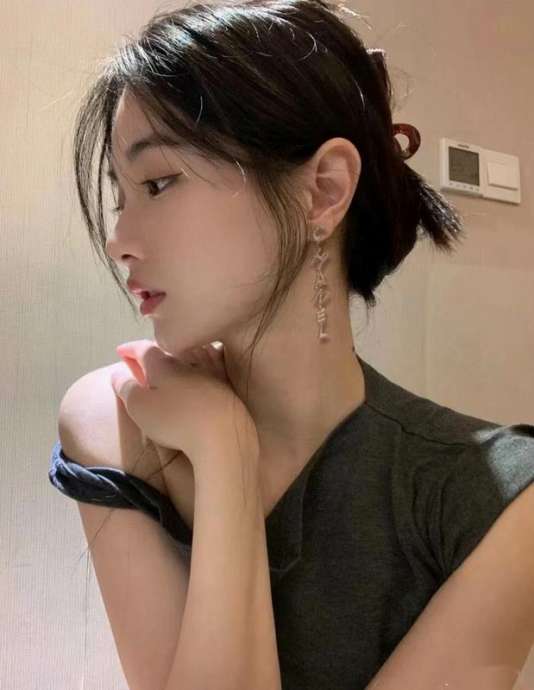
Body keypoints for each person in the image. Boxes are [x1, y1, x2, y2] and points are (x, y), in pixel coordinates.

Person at [49, 1, 534, 689]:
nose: (118, 240)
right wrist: (220, 449)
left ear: (323, 192)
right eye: (120, 197)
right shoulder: (115, 420)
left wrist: (226, 458)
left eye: (157, 183)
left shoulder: (500, 497)